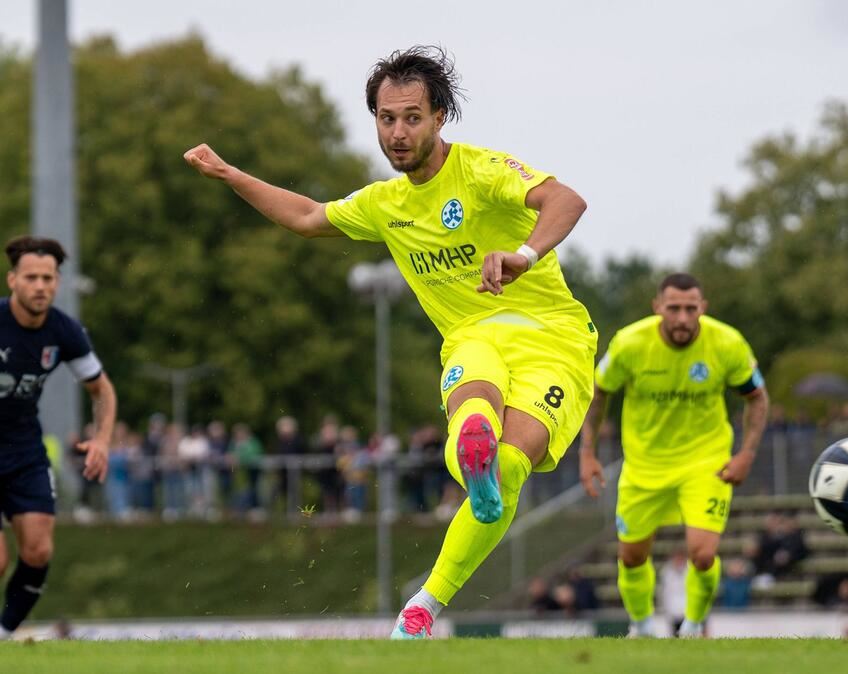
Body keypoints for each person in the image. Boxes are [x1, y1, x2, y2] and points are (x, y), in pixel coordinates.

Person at [184, 46, 595, 639]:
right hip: (473, 338)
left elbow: (566, 200)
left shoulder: (482, 171)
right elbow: (306, 216)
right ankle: (426, 601)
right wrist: (228, 174)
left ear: (439, 117)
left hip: (554, 339)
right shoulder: (386, 204)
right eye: (386, 118)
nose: (397, 133)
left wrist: (523, 255)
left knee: (508, 465)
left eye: (411, 117)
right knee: (475, 417)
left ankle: (428, 593)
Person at [579, 273, 769, 638]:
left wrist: (746, 453)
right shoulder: (630, 343)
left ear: (703, 308)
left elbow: (757, 397)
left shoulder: (727, 343)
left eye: (690, 308)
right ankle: (642, 625)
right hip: (644, 465)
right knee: (632, 556)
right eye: (674, 308)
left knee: (702, 554)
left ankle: (694, 625)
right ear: (657, 308)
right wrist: (587, 453)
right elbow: (599, 392)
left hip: (705, 462)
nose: (682, 317)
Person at [0, 236, 117, 639]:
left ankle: (3, 634)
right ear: (12, 280)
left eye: (48, 278)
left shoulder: (64, 331)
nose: (40, 286)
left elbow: (101, 389)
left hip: (23, 451)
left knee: (38, 550)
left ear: (58, 283)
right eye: (31, 277)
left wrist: (101, 439)